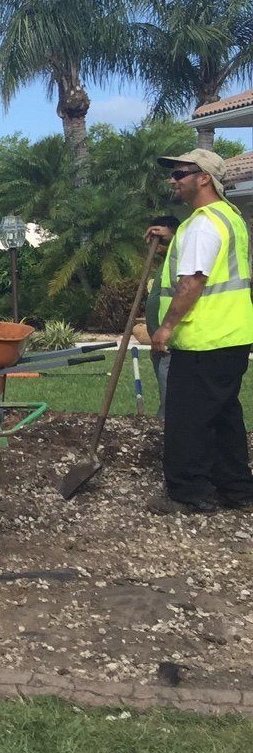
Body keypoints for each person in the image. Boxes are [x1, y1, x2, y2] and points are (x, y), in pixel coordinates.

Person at [148, 149, 253, 514]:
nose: (172, 181)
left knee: (187, 419)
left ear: (204, 178)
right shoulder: (230, 217)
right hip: (232, 337)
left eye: (180, 174)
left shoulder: (203, 223)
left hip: (203, 339)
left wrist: (165, 327)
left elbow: (192, 283)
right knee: (224, 415)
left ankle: (187, 491)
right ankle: (236, 488)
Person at [142, 215, 180, 418]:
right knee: (166, 391)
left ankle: (168, 426)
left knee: (171, 397)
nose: (156, 244)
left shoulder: (181, 256)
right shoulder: (165, 264)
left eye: (160, 239)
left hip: (171, 342)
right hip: (159, 341)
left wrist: (172, 237)